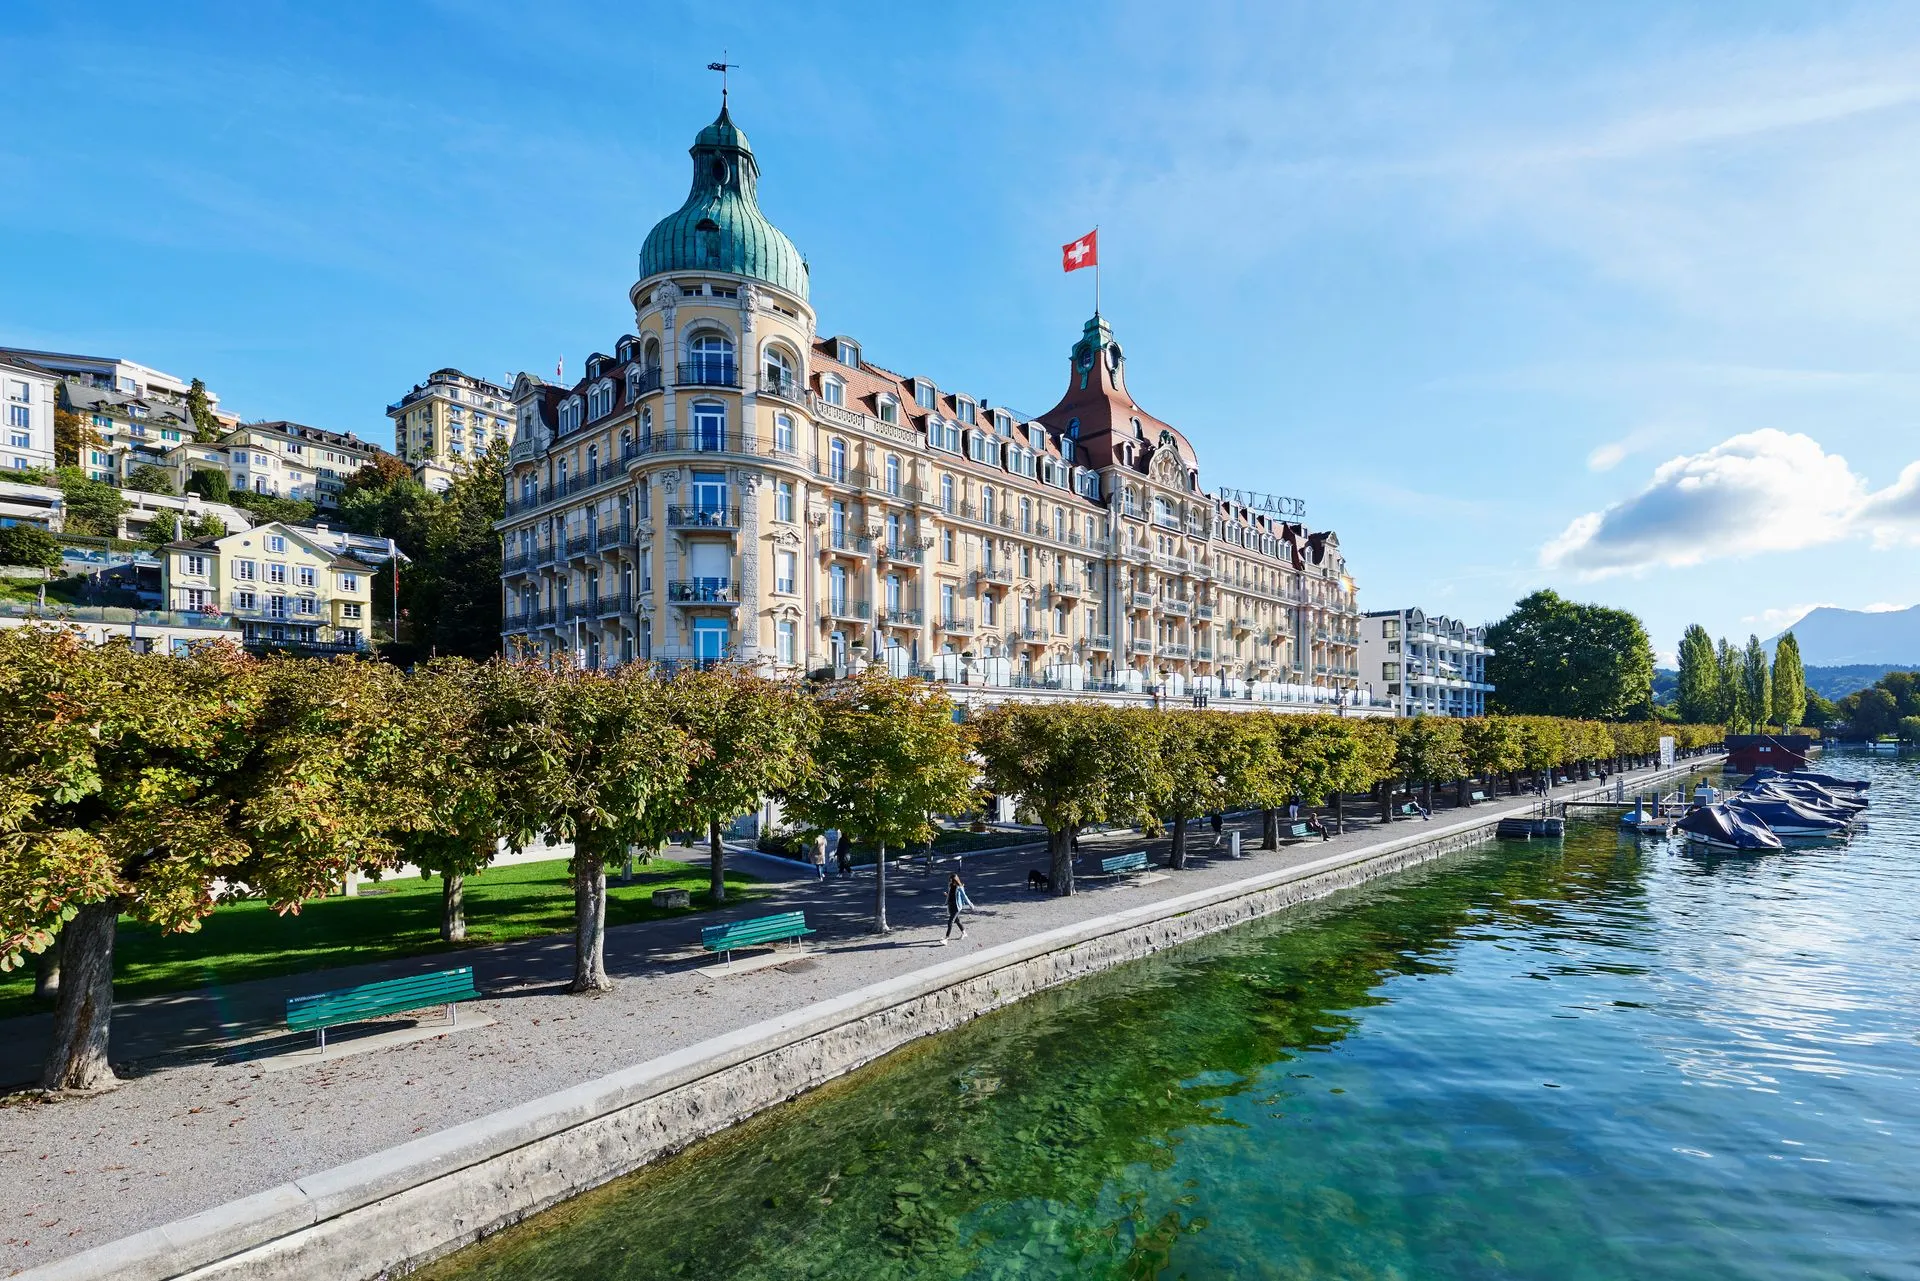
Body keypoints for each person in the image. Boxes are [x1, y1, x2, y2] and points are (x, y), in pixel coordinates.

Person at [941, 872, 969, 944]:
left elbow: (964, 896)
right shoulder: (950, 886)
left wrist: (970, 905)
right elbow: (951, 895)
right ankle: (964, 933)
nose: (949, 881)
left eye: (951, 880)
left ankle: (946, 939)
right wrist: (947, 894)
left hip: (957, 907)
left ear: (955, 880)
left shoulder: (959, 887)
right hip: (951, 906)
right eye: (949, 880)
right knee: (957, 921)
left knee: (950, 922)